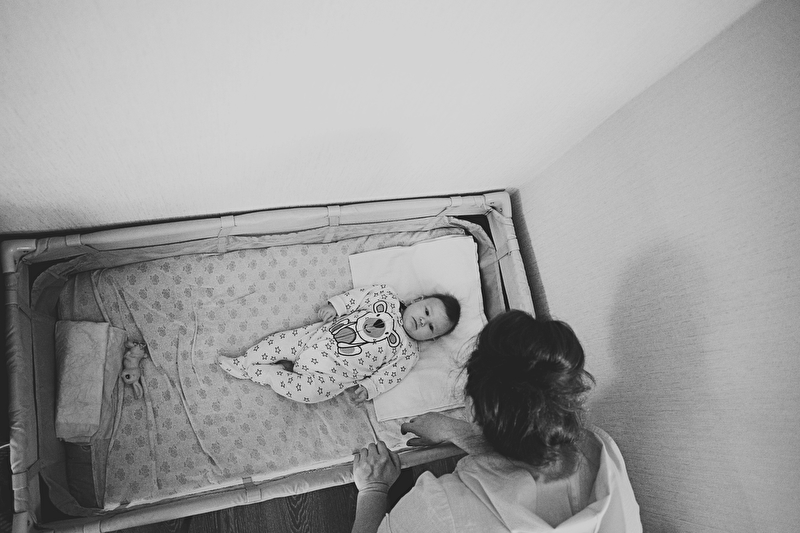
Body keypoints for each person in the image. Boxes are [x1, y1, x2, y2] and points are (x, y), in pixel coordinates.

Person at [350, 310, 642, 532]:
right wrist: (459, 433)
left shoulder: (440, 508)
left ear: (472, 408)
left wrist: (373, 488)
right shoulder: (597, 449)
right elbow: (523, 462)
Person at [217, 284, 461, 404]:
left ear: (432, 339)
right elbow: (358, 297)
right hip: (318, 338)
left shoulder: (408, 354)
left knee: (307, 393)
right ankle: (245, 361)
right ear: (418, 300)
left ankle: (266, 374)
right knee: (280, 341)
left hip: (331, 377)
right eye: (426, 311)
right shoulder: (386, 297)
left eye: (431, 327)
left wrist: (370, 388)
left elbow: (389, 376)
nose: (423, 321)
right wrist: (337, 306)